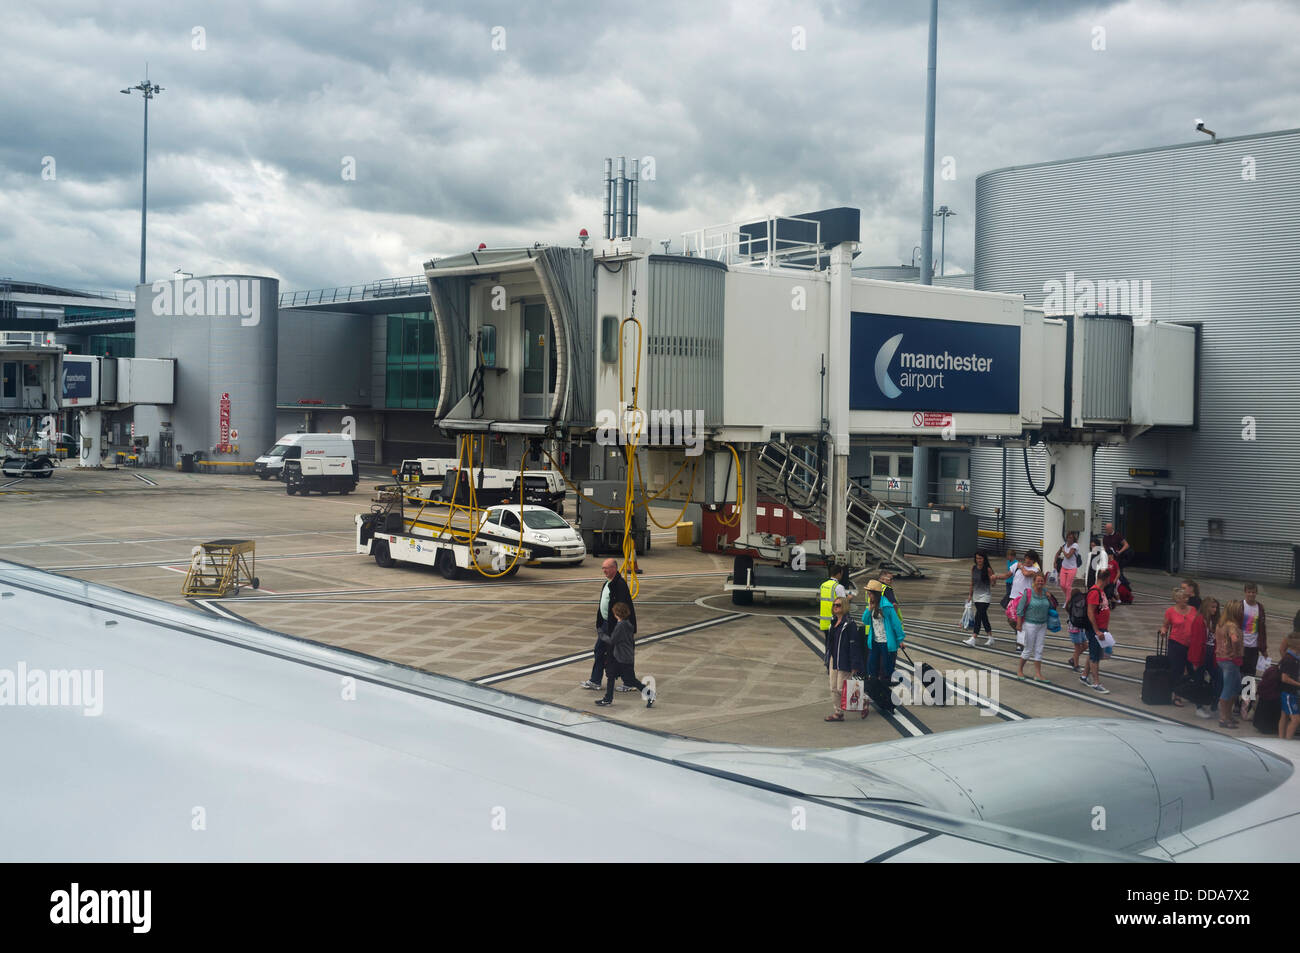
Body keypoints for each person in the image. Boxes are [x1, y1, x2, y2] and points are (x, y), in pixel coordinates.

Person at [581, 558, 637, 691]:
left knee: (621, 654)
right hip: (606, 624)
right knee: (600, 650)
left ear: (614, 568)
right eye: (603, 568)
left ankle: (629, 682)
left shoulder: (619, 585)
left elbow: (623, 607)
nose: (604, 570)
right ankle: (595, 681)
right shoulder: (608, 583)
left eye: (606, 568)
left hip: (617, 626)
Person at [594, 602, 655, 708]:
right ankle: (608, 699)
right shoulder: (627, 623)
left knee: (630, 680)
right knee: (612, 676)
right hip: (623, 656)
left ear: (616, 614)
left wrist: (601, 634)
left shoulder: (621, 626)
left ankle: (650, 694)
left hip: (622, 658)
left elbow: (612, 640)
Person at [824, 596, 867, 722]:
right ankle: (838, 712)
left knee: (841, 688)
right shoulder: (833, 622)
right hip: (834, 658)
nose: (835, 607)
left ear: (844, 607)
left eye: (838, 605)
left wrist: (855, 664)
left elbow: (854, 645)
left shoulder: (850, 624)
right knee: (833, 687)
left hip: (845, 659)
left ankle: (864, 699)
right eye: (834, 605)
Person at [862, 579, 906, 687]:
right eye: (868, 593)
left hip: (886, 641)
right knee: (871, 664)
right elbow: (865, 621)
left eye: (870, 593)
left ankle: (885, 684)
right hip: (875, 641)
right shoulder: (871, 604)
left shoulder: (886, 606)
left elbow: (896, 624)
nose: (868, 595)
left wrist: (900, 639)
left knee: (886, 666)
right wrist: (869, 609)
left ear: (875, 594)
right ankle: (873, 684)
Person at [1160, 585, 1198, 707]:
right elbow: (1165, 625)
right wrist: (1163, 630)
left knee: (1192, 669)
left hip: (1191, 644)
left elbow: (1197, 624)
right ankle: (1177, 695)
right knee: (1177, 670)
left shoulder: (1192, 610)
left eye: (1186, 597)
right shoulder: (1170, 611)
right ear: (1177, 599)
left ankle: (1190, 692)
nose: (1186, 600)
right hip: (1176, 643)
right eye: (1183, 598)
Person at [1016, 571, 1052, 682]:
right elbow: (1020, 610)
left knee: (1039, 649)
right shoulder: (1028, 593)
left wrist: (1049, 598)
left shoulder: (1046, 592)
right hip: (1030, 624)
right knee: (1028, 649)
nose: (1040, 582)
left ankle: (1038, 674)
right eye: (1038, 580)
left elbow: (1050, 607)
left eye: (1042, 580)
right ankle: (1020, 670)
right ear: (1034, 581)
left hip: (1042, 624)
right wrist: (1018, 624)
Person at [1080, 567, 1112, 694]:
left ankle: (1084, 676)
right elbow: (1090, 612)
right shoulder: (1095, 592)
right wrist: (1097, 630)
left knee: (1094, 653)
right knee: (1095, 657)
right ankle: (1096, 682)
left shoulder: (1101, 591)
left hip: (1101, 629)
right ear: (1107, 579)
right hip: (1096, 630)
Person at [1215, 600, 1246, 729]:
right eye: (1240, 609)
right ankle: (1224, 718)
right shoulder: (1232, 625)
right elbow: (1234, 639)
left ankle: (1228, 715)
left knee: (1234, 686)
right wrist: (1235, 650)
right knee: (1229, 688)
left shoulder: (1221, 624)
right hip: (1230, 660)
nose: (1242, 612)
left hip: (1221, 659)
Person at [963, 552, 1003, 648]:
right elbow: (972, 582)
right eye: (977, 558)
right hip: (976, 596)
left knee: (978, 616)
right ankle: (990, 637)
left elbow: (993, 584)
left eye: (980, 558)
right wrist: (970, 595)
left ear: (984, 559)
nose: (979, 560)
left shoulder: (988, 569)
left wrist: (993, 579)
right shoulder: (974, 568)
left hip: (985, 596)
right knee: (983, 617)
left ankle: (974, 637)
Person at [1007, 550, 1040, 646]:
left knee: (1020, 620)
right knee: (1011, 619)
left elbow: (1026, 574)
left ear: (1034, 561)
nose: (1028, 560)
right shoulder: (1016, 566)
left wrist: (1021, 567)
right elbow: (1007, 575)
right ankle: (1022, 637)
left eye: (1031, 559)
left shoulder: (1035, 570)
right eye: (1027, 558)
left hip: (1026, 598)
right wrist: (996, 577)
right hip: (1014, 597)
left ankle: (1020, 643)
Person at [1241, 582, 1268, 679]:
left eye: (1253, 592)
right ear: (1245, 592)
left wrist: (1263, 649)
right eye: (1249, 592)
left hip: (1254, 646)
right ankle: (1236, 692)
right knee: (1240, 671)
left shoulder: (1260, 608)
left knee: (1251, 672)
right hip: (1241, 645)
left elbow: (1262, 629)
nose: (1251, 594)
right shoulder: (1240, 606)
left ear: (1256, 593)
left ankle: (1247, 694)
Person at [1278, 632, 1300, 740]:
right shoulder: (1289, 659)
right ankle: (1287, 741)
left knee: (1285, 716)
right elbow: (1284, 678)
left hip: (1289, 692)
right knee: (1296, 720)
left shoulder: (1295, 658)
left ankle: (1282, 739)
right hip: (1288, 693)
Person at [1065, 577, 1089, 672]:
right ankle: (1075, 665)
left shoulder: (1074, 605)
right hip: (1074, 629)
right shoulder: (1072, 605)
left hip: (1080, 628)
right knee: (1077, 648)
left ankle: (1073, 659)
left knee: (1085, 646)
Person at [1055, 532, 1082, 604]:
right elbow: (1057, 553)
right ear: (1066, 538)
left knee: (1068, 586)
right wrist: (1054, 562)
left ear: (1074, 539)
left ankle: (1067, 601)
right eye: (1068, 537)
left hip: (1072, 568)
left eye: (1071, 538)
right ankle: (1069, 597)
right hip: (1064, 567)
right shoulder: (1064, 545)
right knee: (1062, 585)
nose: (1070, 539)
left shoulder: (1075, 545)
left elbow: (1068, 556)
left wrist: (1063, 550)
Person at [819, 564, 845, 634]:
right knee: (835, 644)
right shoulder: (838, 587)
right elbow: (844, 604)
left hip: (824, 622)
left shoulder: (823, 585)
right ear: (839, 574)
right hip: (835, 622)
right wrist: (849, 598)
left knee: (828, 643)